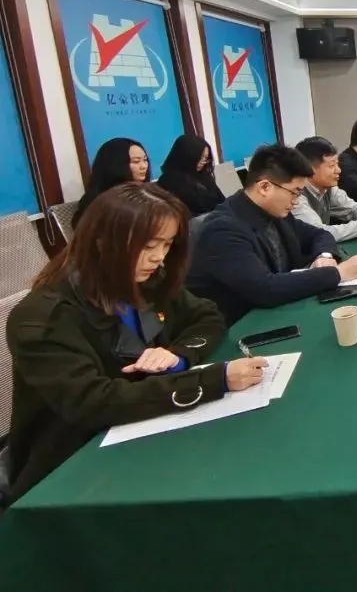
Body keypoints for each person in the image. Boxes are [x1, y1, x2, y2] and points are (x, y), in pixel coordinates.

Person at [2, 183, 267, 505]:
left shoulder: (146, 280)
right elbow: (93, 402)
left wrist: (178, 355)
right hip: (71, 465)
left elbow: (207, 316)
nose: (158, 257)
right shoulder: (43, 317)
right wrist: (213, 380)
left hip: (147, 426)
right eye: (148, 245)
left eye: (166, 244)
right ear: (102, 241)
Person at [186, 144, 357, 325]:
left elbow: (319, 234)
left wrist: (325, 256)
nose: (296, 202)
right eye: (294, 193)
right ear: (265, 187)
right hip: (241, 326)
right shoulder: (222, 229)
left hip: (280, 312)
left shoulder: (275, 213)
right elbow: (264, 289)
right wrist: (336, 273)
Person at [293, 136, 357, 241]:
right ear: (310, 170)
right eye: (332, 166)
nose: (338, 170)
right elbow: (321, 233)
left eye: (337, 164)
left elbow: (351, 208)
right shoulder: (295, 197)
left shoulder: (328, 188)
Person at [71, 137, 150, 227]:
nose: (143, 166)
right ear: (115, 164)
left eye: (145, 160)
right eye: (136, 161)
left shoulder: (144, 192)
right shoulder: (97, 200)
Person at [156, 134, 225, 217]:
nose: (203, 163)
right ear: (187, 156)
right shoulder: (168, 182)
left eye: (205, 159)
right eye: (200, 158)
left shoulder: (203, 176)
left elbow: (222, 201)